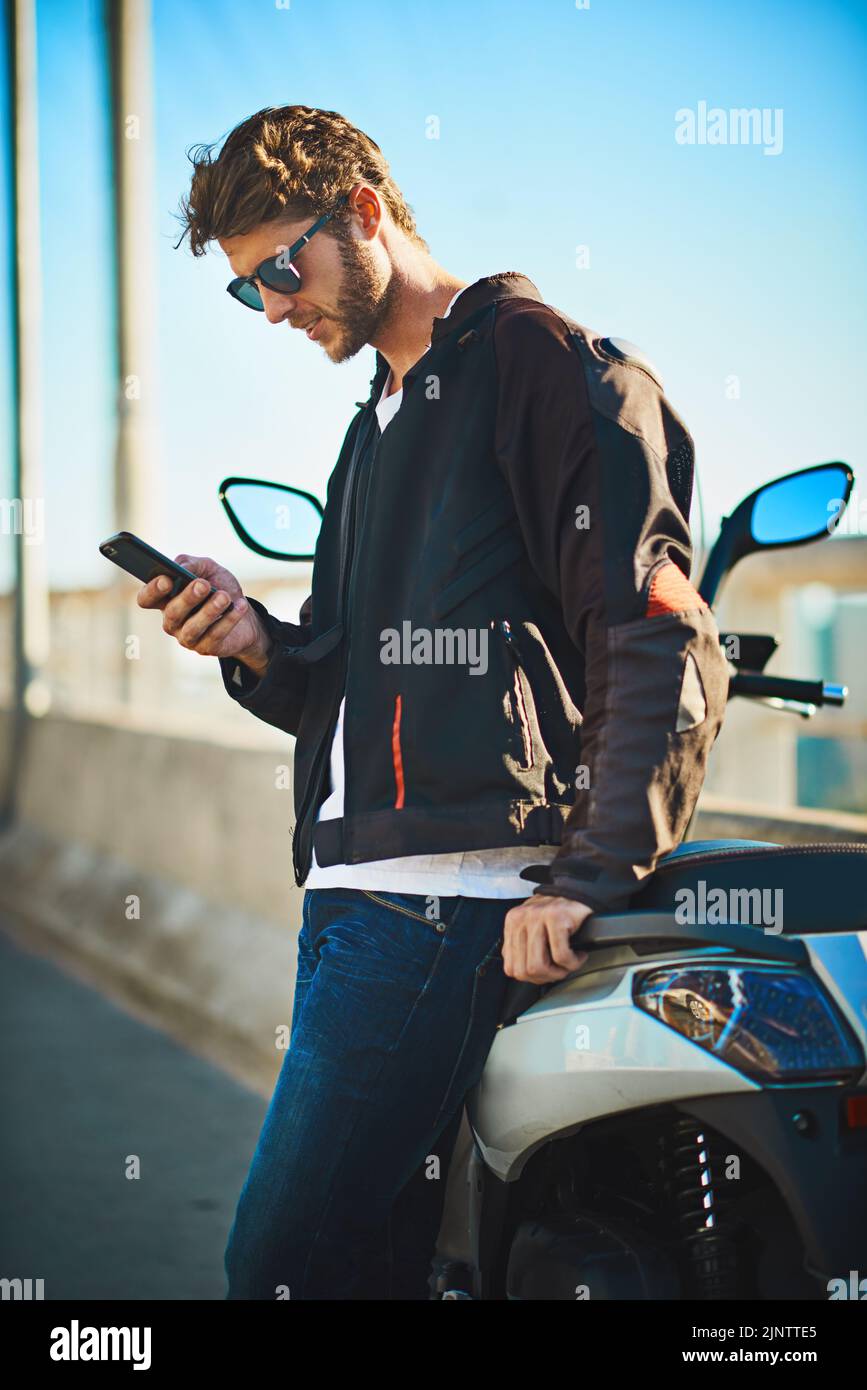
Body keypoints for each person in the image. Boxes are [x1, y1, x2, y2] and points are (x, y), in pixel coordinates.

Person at [137, 105, 729, 1299]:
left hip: (443, 910)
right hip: (356, 899)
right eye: (248, 294)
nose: (276, 310)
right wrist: (254, 640)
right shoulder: (376, 427)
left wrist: (587, 874)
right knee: (386, 1265)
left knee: (285, 1267)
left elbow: (655, 638)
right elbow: (351, 686)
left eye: (281, 271)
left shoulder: (548, 367)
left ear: (364, 214)